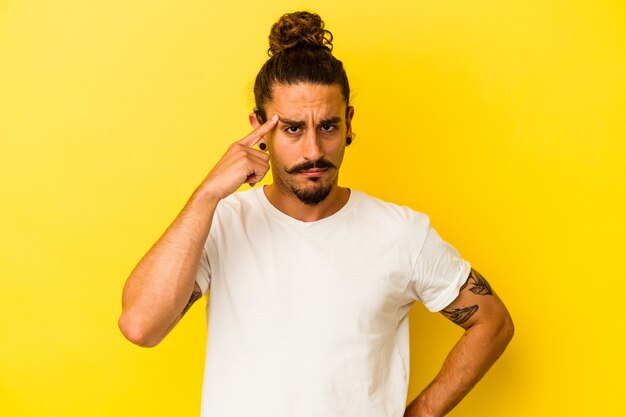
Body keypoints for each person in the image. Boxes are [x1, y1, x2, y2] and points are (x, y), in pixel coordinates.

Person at [119, 11, 514, 417]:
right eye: (291, 129)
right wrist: (206, 195)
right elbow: (140, 326)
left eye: (327, 127)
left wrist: (421, 413)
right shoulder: (220, 225)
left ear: (347, 124)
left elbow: (493, 323)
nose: (313, 151)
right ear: (259, 128)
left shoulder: (401, 233)